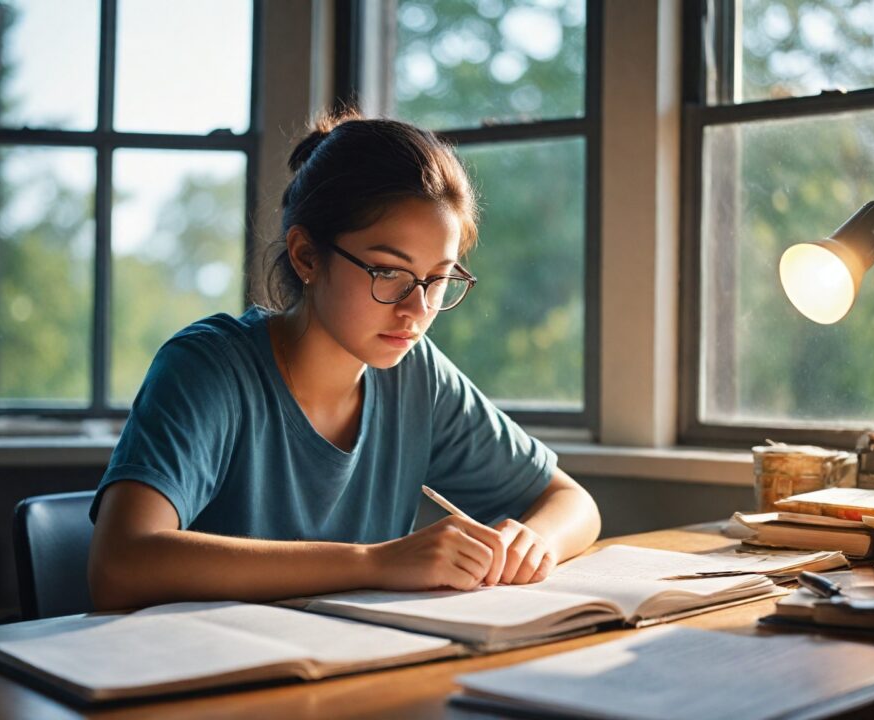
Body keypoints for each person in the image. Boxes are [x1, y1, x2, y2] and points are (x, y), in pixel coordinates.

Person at [88, 110, 601, 610]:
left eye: (439, 279)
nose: (417, 309)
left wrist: (533, 542)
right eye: (388, 273)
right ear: (306, 256)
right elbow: (119, 565)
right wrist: (373, 563)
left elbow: (573, 503)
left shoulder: (416, 373)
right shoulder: (209, 368)